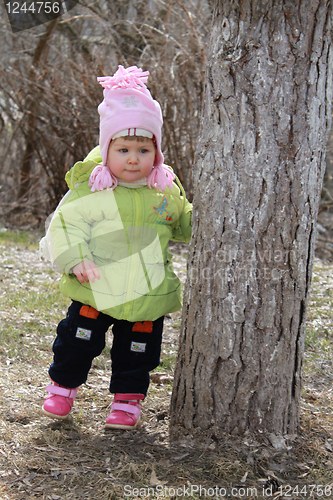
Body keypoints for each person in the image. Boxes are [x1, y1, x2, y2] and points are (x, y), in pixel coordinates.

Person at [39, 65, 192, 429]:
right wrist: (76, 258)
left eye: (143, 149)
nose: (134, 158)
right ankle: (62, 388)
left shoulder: (165, 192)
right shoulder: (94, 189)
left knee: (138, 352)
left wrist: (199, 215)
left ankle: (127, 402)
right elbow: (66, 224)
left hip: (146, 291)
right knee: (77, 342)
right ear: (106, 149)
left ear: (156, 152)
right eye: (123, 149)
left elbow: (184, 226)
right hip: (95, 288)